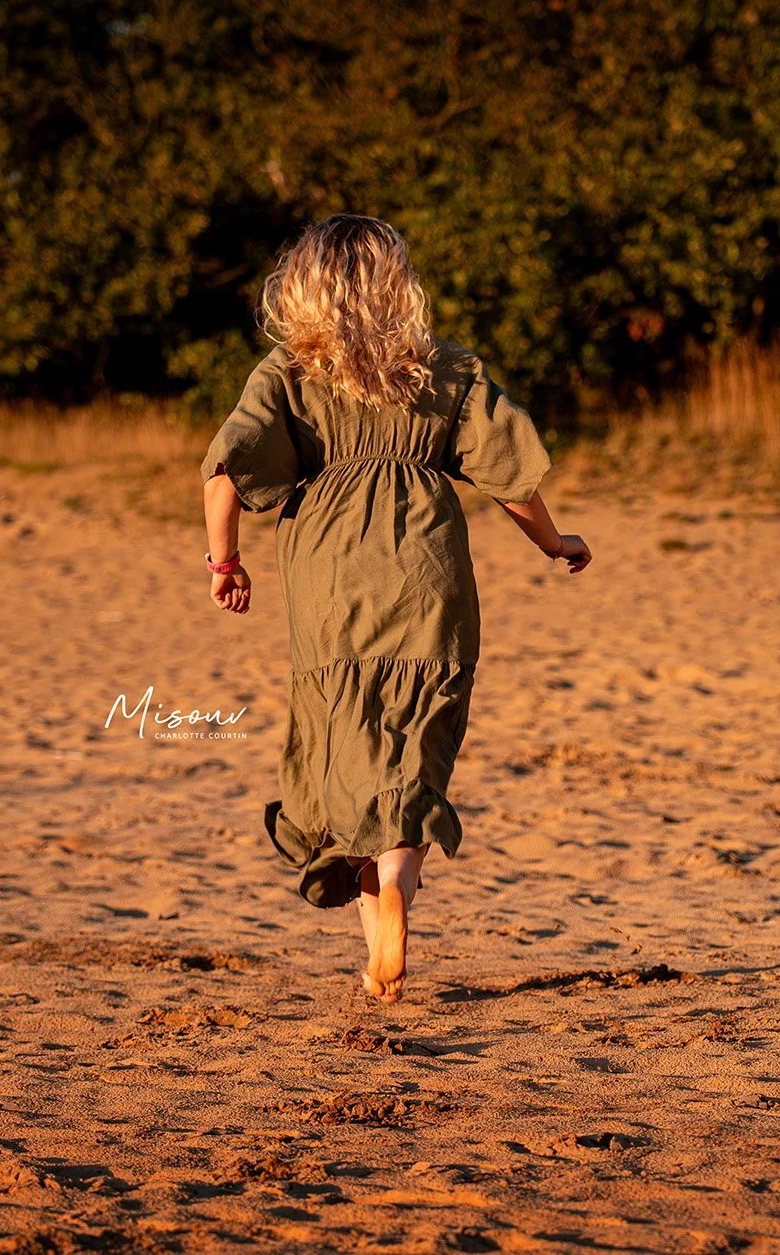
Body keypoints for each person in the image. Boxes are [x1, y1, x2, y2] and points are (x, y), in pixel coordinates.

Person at [202, 215, 592, 1003]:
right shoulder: (444, 369)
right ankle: (397, 901)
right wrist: (556, 544)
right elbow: (510, 477)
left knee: (346, 756)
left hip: (330, 587)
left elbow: (224, 471)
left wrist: (225, 560)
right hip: (428, 580)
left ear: (302, 287)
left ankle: (378, 932)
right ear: (395, 284)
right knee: (416, 756)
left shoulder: (285, 374)